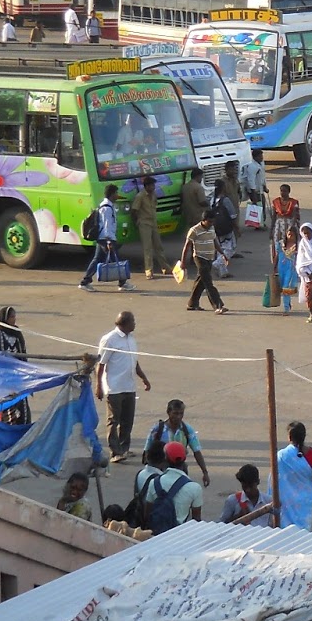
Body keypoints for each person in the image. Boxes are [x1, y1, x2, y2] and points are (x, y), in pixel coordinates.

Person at [96, 311, 150, 462]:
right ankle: (115, 452)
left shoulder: (131, 339)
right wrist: (99, 386)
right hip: (114, 387)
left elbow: (134, 361)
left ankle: (124, 448)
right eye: (133, 321)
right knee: (114, 420)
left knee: (128, 419)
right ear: (125, 323)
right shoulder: (109, 340)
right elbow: (101, 365)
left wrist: (144, 378)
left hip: (129, 386)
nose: (135, 324)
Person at [79, 184, 132, 291]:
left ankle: (85, 281)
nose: (117, 195)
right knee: (115, 260)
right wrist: (109, 241)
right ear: (112, 194)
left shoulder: (105, 206)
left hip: (103, 238)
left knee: (99, 259)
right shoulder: (107, 208)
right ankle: (122, 283)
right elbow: (107, 225)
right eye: (116, 193)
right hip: (106, 238)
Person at [145, 399, 211, 485]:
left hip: (180, 468)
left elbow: (197, 451)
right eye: (175, 413)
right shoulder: (157, 430)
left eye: (181, 413)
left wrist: (205, 472)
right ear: (168, 412)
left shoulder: (187, 430)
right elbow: (147, 451)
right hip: (161, 468)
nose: (178, 417)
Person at [274, 421, 312, 528]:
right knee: (303, 527)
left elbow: (275, 476)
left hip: (286, 499)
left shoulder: (282, 455)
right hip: (304, 499)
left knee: (284, 528)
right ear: (304, 436)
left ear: (290, 437)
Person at [180, 211, 229, 314]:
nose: (211, 224)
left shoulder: (211, 228)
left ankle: (192, 304)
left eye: (213, 222)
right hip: (199, 258)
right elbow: (186, 247)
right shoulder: (194, 230)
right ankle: (218, 305)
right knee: (208, 283)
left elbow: (215, 242)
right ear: (203, 220)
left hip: (209, 258)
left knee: (201, 282)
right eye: (209, 222)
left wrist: (223, 254)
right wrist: (183, 262)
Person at [130, 176, 170, 279]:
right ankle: (149, 270)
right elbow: (134, 210)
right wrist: (137, 222)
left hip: (153, 223)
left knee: (159, 246)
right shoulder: (140, 196)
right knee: (147, 248)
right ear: (146, 186)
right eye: (152, 185)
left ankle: (165, 267)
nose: (153, 187)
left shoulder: (153, 195)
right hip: (144, 223)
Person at [273, 223, 300, 314]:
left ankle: (286, 309)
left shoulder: (299, 246)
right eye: (289, 234)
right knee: (281, 288)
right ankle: (287, 303)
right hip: (281, 269)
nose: (290, 237)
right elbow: (276, 256)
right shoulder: (281, 244)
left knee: (286, 288)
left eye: (292, 235)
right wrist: (274, 267)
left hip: (291, 269)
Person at [181, 170, 210, 246]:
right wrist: (209, 203)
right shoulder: (198, 187)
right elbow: (202, 201)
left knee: (191, 236)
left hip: (189, 215)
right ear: (198, 176)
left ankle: (192, 254)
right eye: (201, 177)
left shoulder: (185, 187)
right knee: (200, 237)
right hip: (198, 215)